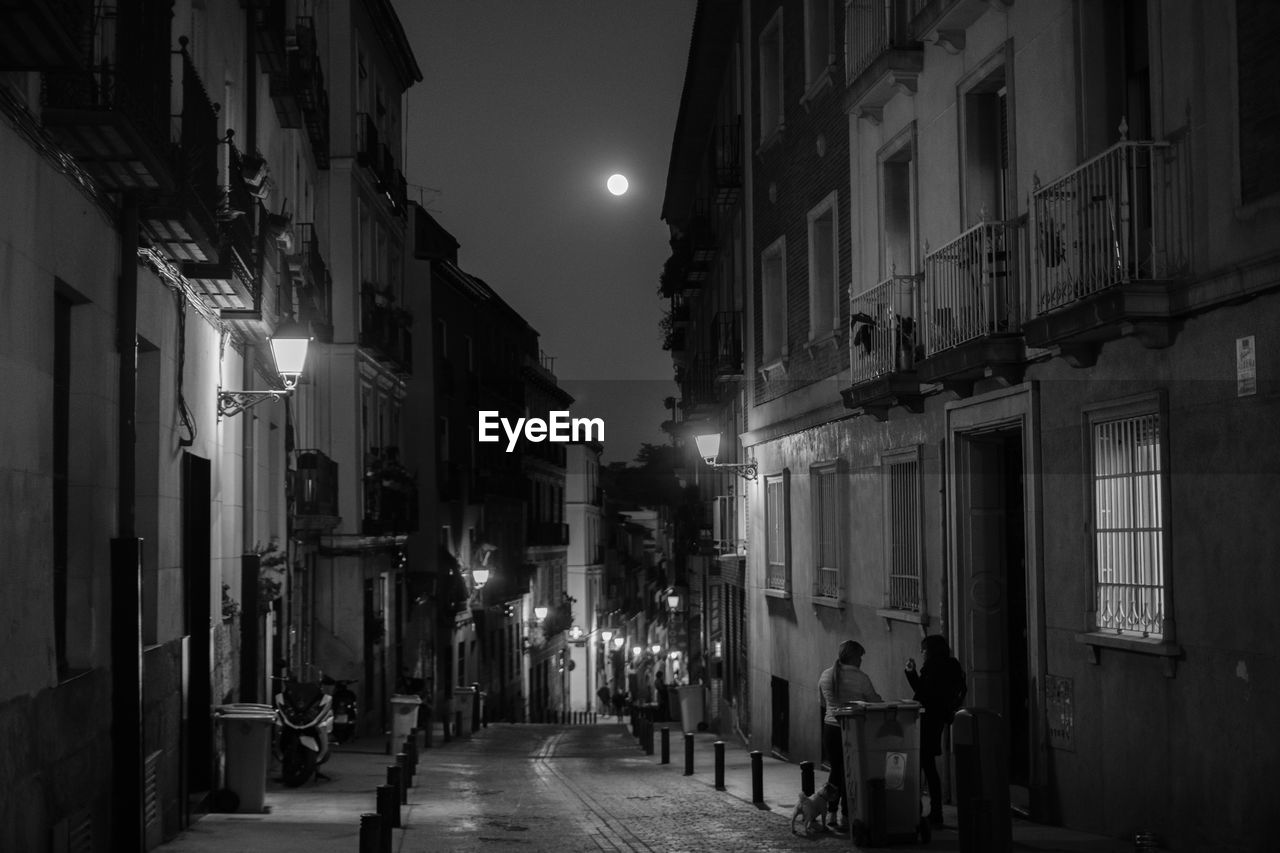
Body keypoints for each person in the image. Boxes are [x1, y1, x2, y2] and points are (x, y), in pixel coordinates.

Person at [818, 640, 883, 832]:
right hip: (852, 729)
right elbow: (873, 700)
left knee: (836, 770)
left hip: (830, 727)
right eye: (860, 657)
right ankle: (846, 815)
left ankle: (830, 812)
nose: (861, 661)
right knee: (850, 772)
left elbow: (821, 701)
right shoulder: (861, 678)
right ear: (854, 657)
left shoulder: (825, 674)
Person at [904, 634, 967, 827]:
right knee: (929, 766)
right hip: (939, 720)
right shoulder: (952, 665)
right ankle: (934, 810)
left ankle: (922, 811)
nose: (922, 653)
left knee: (922, 766)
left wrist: (911, 673)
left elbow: (923, 693)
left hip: (926, 720)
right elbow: (961, 690)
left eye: (923, 650)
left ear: (929, 651)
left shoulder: (932, 668)